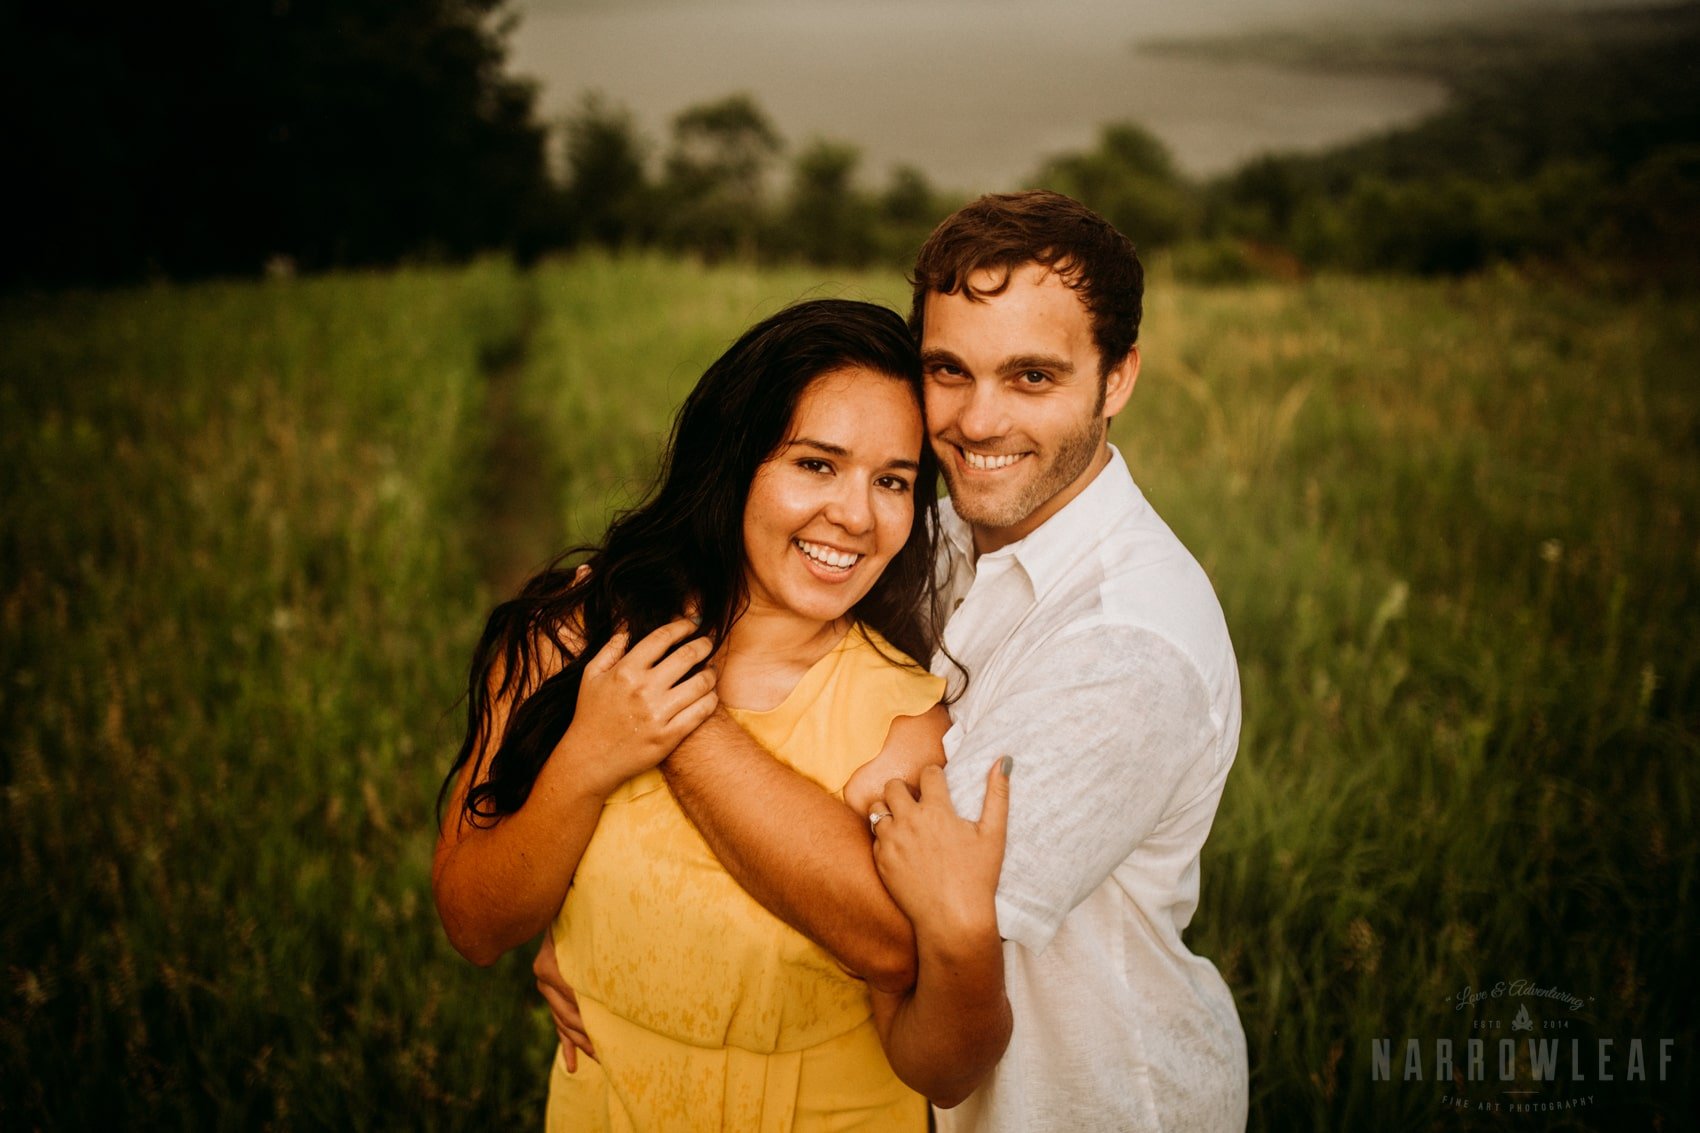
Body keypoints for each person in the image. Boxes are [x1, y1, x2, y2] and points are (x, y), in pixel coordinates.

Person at [541, 190, 1247, 1131]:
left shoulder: (1126, 648)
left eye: (1032, 377)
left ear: (1117, 378)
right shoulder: (942, 520)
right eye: (949, 370)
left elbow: (896, 929)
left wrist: (667, 703)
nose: (979, 421)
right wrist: (599, 930)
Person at [432, 299, 1013, 1131]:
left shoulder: (906, 719)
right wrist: (587, 757)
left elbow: (901, 968)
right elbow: (475, 921)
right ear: (733, 461)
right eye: (817, 464)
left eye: (893, 480)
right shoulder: (568, 637)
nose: (855, 514)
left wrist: (682, 728)